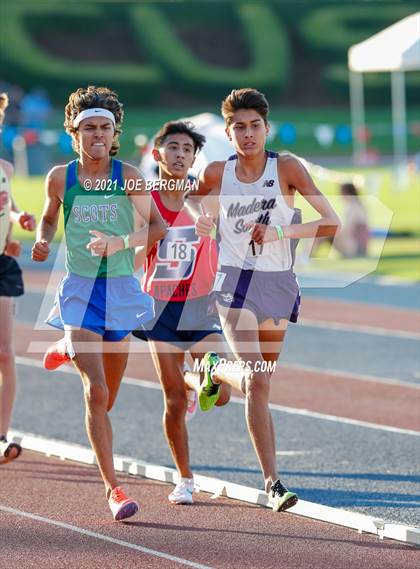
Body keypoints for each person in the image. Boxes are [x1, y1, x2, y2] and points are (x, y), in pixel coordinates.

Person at [186, 88, 341, 512]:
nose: (248, 133)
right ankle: (273, 483)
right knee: (255, 378)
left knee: (263, 382)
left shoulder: (287, 167)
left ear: (266, 128)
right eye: (240, 127)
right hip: (234, 283)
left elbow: (331, 222)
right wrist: (200, 215)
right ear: (228, 132)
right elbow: (192, 195)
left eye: (255, 126)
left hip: (278, 283)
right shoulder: (219, 171)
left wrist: (281, 232)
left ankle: (215, 368)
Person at [32, 85, 166, 520]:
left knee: (110, 399)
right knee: (96, 393)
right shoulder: (60, 177)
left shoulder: (129, 176)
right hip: (80, 291)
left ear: (115, 134)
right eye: (88, 127)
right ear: (75, 133)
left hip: (121, 290)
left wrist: (120, 242)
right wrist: (41, 239)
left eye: (104, 128)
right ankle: (114, 489)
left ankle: (66, 348)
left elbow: (157, 228)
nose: (96, 135)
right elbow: (50, 215)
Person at [132, 120, 231, 505]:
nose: (179, 155)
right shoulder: (146, 200)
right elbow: (136, 254)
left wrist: (213, 229)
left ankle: (195, 378)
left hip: (200, 304)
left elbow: (230, 237)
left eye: (186, 150)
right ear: (157, 154)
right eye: (172, 148)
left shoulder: (205, 198)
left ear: (194, 157)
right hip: (159, 307)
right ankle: (185, 480)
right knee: (173, 399)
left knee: (220, 394)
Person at [0, 91, 36, 464]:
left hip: (1, 265)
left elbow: (5, 207)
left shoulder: (5, 169)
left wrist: (17, 223)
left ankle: (1, 435)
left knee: (5, 353)